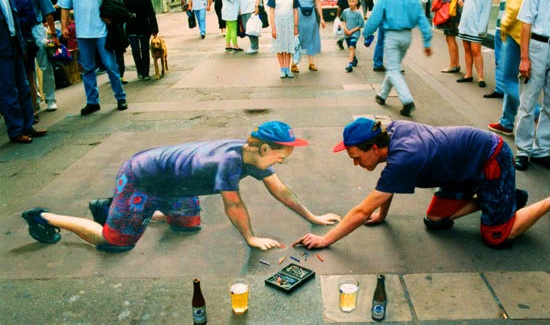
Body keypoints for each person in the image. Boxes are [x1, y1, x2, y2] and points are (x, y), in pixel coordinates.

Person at [21, 121, 341, 252]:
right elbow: (233, 205)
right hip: (141, 178)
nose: (284, 159)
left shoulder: (252, 155)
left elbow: (280, 190)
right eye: (282, 154)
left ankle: (111, 207)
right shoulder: (229, 163)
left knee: (188, 226)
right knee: (115, 243)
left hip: (175, 185)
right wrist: (251, 238)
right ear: (263, 149)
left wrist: (313, 218)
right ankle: (44, 217)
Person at [293, 118, 550, 250]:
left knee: (496, 237)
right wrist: (382, 215)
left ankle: (528, 202)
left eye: (356, 158)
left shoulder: (404, 158)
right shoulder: (389, 135)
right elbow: (389, 185)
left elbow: (361, 211)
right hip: (460, 169)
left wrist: (325, 240)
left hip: (490, 157)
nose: (355, 164)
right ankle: (502, 199)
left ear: (373, 147)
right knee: (436, 220)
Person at [363, 0, 432, 116]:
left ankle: (407, 100)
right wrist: (427, 41)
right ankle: (382, 95)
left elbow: (375, 17)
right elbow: (421, 18)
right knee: (393, 68)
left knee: (393, 70)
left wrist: (367, 33)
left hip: (392, 36)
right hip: (407, 37)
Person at [59, 0, 128, 115]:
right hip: (82, 34)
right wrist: (63, 27)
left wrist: (109, 16)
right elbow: (64, 7)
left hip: (101, 32)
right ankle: (92, 101)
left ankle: (121, 97)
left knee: (110, 66)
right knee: (87, 68)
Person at [487, 0, 540, 137]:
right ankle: (506, 122)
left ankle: (536, 112)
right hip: (529, 33)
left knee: (507, 81)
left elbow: (515, 7)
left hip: (516, 33)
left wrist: (504, 25)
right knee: (515, 80)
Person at [0, 0, 48, 143]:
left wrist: (22, 46)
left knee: (24, 87)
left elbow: (17, 24)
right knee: (9, 92)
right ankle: (16, 130)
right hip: (2, 51)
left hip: (15, 45)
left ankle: (28, 125)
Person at [514, 0, 550, 171]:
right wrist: (524, 58)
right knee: (528, 102)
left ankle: (541, 150)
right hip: (538, 46)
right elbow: (525, 25)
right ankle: (523, 151)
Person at [456, 0, 491, 88]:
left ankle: (481, 78)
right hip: (465, 24)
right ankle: (468, 75)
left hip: (476, 27)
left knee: (476, 51)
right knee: (467, 50)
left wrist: (482, 28)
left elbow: (486, 11)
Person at [124, 0, 159, 81]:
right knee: (135, 50)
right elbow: (123, 11)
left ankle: (146, 72)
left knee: (145, 50)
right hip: (131, 27)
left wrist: (154, 29)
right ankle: (139, 70)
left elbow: (151, 13)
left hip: (144, 27)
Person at [291, 0, 325, 72]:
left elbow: (318, 3)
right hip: (298, 14)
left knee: (311, 38)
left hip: (311, 15)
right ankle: (294, 63)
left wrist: (322, 18)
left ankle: (311, 63)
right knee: (297, 38)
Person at [268, 0, 299, 78]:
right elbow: (271, 13)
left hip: (289, 25)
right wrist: (273, 28)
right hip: (278, 25)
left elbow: (296, 12)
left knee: (288, 47)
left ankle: (287, 69)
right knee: (279, 48)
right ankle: (282, 69)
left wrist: (295, 27)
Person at [484, 0, 506, 98]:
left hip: (509, 31)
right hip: (499, 27)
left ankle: (510, 91)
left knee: (509, 63)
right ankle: (499, 89)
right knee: (498, 60)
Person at [436, 0, 462, 74]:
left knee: (450, 38)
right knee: (450, 38)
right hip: (453, 11)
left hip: (451, 12)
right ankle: (455, 64)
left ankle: (453, 65)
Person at [342, 0, 363, 72]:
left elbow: (360, 25)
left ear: (357, 2)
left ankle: (350, 65)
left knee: (351, 47)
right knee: (351, 48)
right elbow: (344, 21)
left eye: (353, 1)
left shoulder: (358, 13)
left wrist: (351, 31)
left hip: (354, 34)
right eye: (349, 1)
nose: (351, 3)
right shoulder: (345, 11)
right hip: (347, 33)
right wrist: (345, 29)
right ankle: (354, 59)